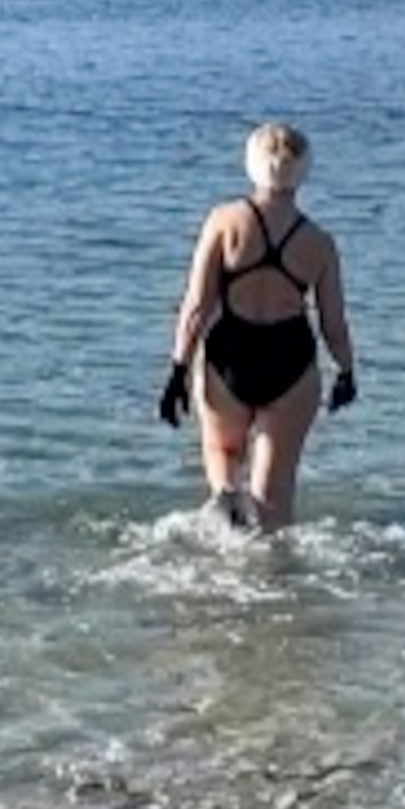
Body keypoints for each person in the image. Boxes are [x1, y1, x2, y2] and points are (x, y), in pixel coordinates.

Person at [160, 120, 355, 532]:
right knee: (275, 493)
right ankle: (274, 582)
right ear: (304, 170)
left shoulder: (224, 221)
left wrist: (178, 369)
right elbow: (333, 323)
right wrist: (346, 372)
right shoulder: (319, 242)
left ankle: (226, 518)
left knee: (224, 455)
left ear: (252, 164)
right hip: (290, 360)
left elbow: (196, 306)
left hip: (229, 355)